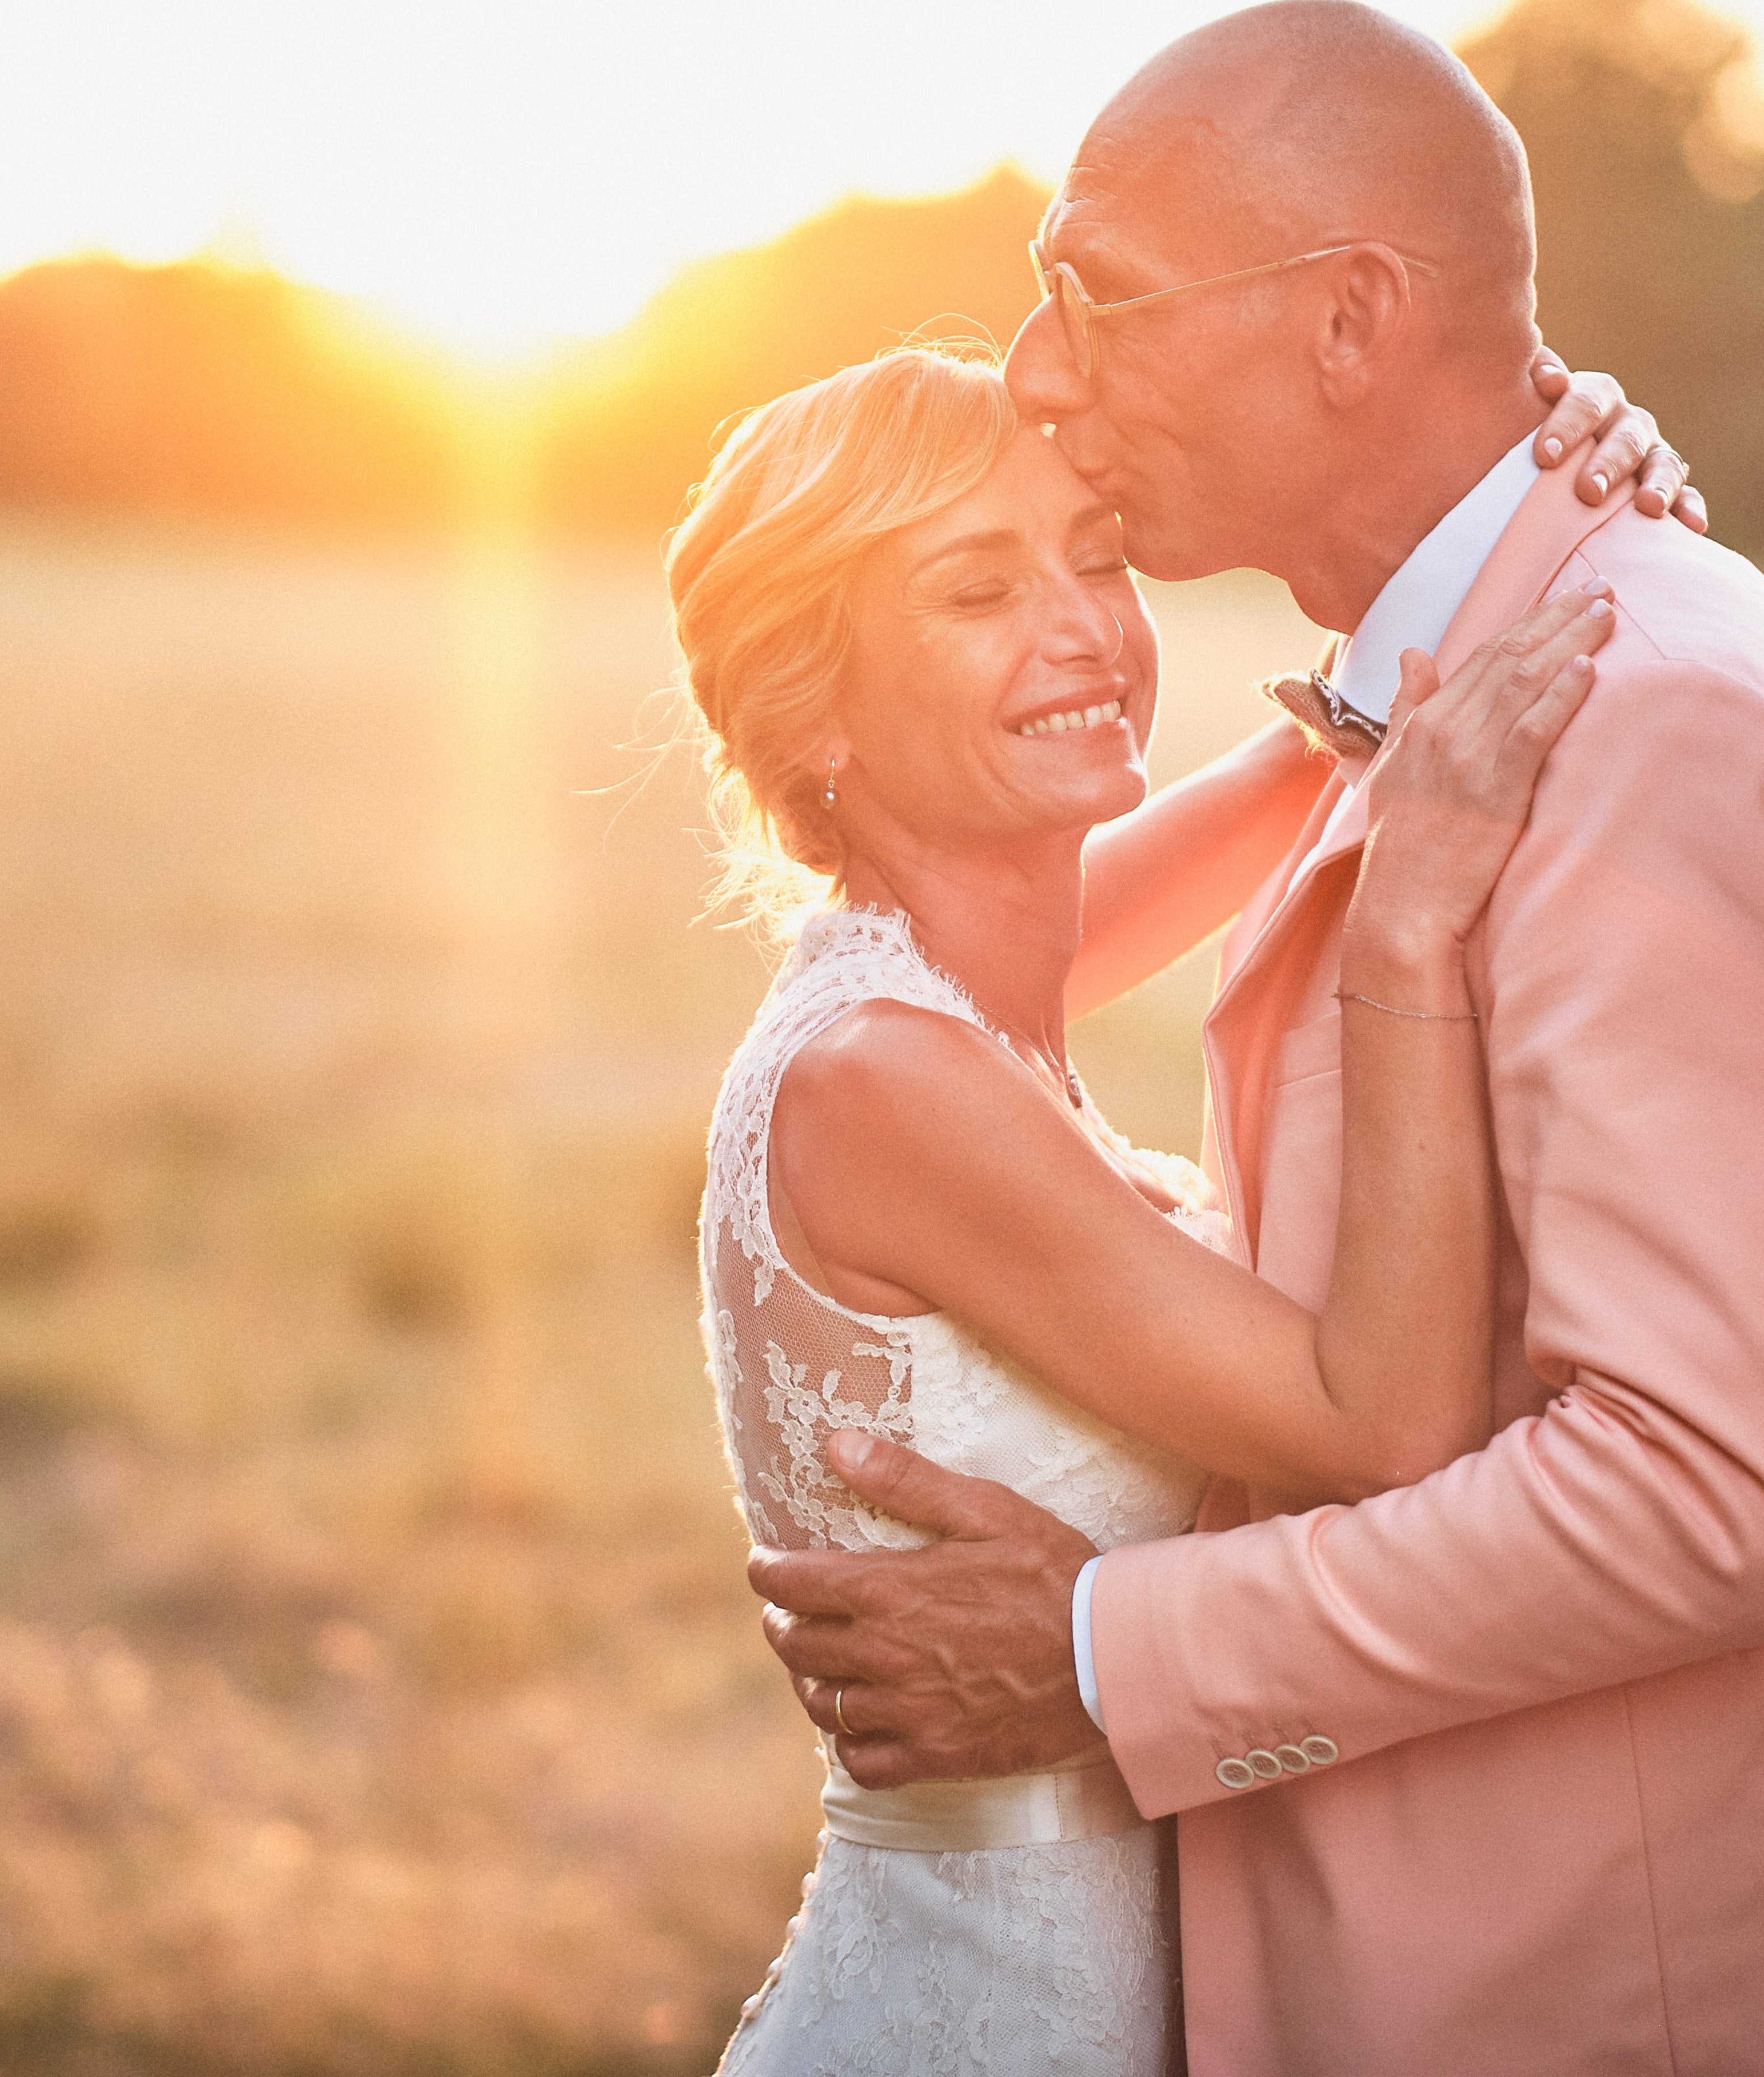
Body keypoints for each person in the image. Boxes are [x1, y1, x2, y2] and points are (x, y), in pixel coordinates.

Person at [749, 1, 1764, 2074]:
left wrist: (1105, 1652)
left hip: (1595, 1992)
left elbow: (1704, 1495)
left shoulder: (1643, 724)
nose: (1036, 368)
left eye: (1092, 293)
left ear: (1350, 321)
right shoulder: (1466, 704)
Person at [667, 341, 1678, 2073]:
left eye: (1098, 558)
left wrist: (1535, 497)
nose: (1084, 629)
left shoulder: (961, 981)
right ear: (811, 704)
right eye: (980, 586)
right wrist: (1407, 923)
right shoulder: (883, 1086)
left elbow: (1285, 782)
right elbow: (1383, 1423)